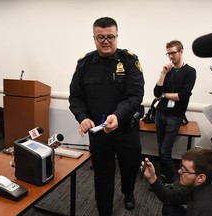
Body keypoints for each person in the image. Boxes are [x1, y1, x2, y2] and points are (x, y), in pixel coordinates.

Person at [68, 17, 144, 216]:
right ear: (94, 38)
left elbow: (135, 95)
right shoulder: (84, 64)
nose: (106, 41)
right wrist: (82, 117)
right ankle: (104, 211)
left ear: (117, 36)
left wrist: (118, 116)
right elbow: (75, 97)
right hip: (100, 133)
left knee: (129, 167)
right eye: (100, 37)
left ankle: (128, 192)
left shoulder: (129, 61)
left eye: (110, 36)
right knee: (102, 175)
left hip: (126, 128)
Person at [153, 40, 196, 187]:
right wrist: (163, 73)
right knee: (160, 150)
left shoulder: (190, 72)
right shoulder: (168, 70)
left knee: (165, 151)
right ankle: (164, 176)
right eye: (168, 53)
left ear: (181, 51)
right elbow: (156, 93)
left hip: (174, 116)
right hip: (160, 114)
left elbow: (182, 96)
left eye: (173, 52)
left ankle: (170, 179)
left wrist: (164, 95)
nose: (170, 56)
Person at [141, 148, 212, 216]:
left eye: (184, 170)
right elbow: (169, 197)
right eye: (181, 166)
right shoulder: (206, 186)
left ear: (201, 177)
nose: (179, 171)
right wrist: (152, 178)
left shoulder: (204, 209)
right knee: (169, 207)